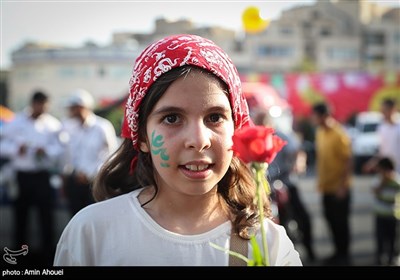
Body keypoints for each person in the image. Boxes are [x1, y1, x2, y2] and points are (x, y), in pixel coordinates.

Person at [53, 34, 302, 266]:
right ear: (141, 136)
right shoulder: (92, 233)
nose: (198, 140)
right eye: (172, 118)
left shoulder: (268, 243)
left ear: (236, 129)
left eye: (215, 117)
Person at [0, 91, 63, 265]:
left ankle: (48, 259)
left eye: (45, 105)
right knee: (21, 217)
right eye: (40, 104)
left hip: (42, 176)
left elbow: (60, 148)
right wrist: (15, 149)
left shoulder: (52, 124)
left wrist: (47, 151)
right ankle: (18, 259)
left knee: (46, 218)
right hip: (22, 176)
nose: (42, 108)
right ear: (33, 103)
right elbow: (2, 144)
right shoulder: (16, 121)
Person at [251, 108, 316, 263]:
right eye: (259, 122)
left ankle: (309, 249)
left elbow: (298, 151)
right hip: (262, 187)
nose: (263, 126)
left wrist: (297, 164)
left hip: (285, 183)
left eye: (265, 121)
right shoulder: (252, 138)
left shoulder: (280, 136)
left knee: (303, 217)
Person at [61, 89, 118, 217]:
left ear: (82, 107)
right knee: (75, 218)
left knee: (94, 219)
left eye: (73, 107)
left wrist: (90, 173)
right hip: (75, 181)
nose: (70, 111)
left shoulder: (102, 126)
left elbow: (112, 155)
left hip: (95, 182)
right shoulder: (69, 127)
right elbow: (69, 155)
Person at [311, 102, 353, 265]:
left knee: (341, 222)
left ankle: (344, 255)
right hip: (326, 188)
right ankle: (338, 252)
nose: (312, 118)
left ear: (324, 116)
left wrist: (343, 186)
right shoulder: (320, 132)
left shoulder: (339, 133)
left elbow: (348, 161)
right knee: (331, 220)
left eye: (315, 115)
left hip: (339, 189)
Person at [372, 157, 400, 266]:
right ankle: (379, 256)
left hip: (392, 214)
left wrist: (391, 179)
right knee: (380, 237)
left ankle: (392, 257)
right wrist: (383, 182)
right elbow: (374, 191)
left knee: (393, 237)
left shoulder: (396, 180)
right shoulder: (378, 179)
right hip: (380, 214)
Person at [363, 98, 400, 174]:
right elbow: (383, 151)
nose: (383, 113)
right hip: (388, 171)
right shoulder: (382, 128)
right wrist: (373, 163)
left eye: (385, 110)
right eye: (382, 110)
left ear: (393, 109)